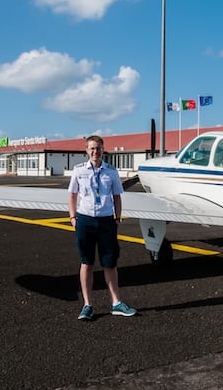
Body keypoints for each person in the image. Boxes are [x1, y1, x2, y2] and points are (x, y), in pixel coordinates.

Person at [68, 135, 136, 320]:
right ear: (86, 150)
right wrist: (73, 218)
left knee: (110, 263)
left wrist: (118, 218)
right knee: (86, 262)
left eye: (98, 148)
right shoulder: (78, 170)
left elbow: (117, 196)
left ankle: (116, 303)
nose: (95, 152)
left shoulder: (111, 172)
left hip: (106, 221)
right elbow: (72, 195)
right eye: (91, 148)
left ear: (103, 149)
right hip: (85, 220)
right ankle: (87, 305)